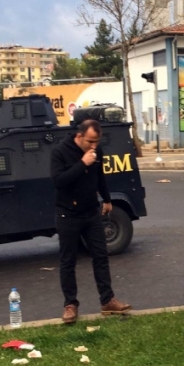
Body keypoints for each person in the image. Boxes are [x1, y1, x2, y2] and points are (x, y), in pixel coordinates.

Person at [51, 119, 131, 324]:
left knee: (101, 255)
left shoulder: (97, 151)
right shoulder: (60, 151)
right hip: (67, 213)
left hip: (91, 211)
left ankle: (107, 300)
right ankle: (70, 305)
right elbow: (59, 182)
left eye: (97, 141)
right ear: (79, 136)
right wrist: (82, 163)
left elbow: (99, 175)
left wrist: (107, 198)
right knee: (68, 261)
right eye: (90, 141)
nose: (94, 146)